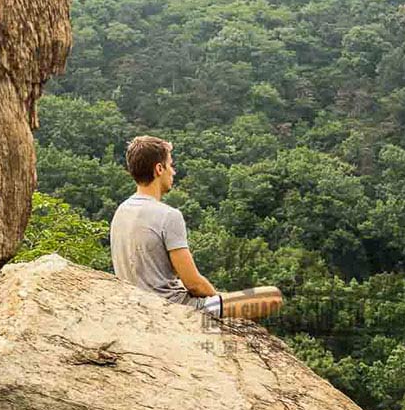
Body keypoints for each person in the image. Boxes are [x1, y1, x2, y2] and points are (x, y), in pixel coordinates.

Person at [110, 135, 282, 320]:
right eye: (171, 165)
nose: (174, 172)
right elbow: (194, 284)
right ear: (159, 169)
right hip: (174, 308)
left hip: (135, 303)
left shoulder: (121, 211)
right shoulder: (168, 215)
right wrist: (219, 300)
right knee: (272, 296)